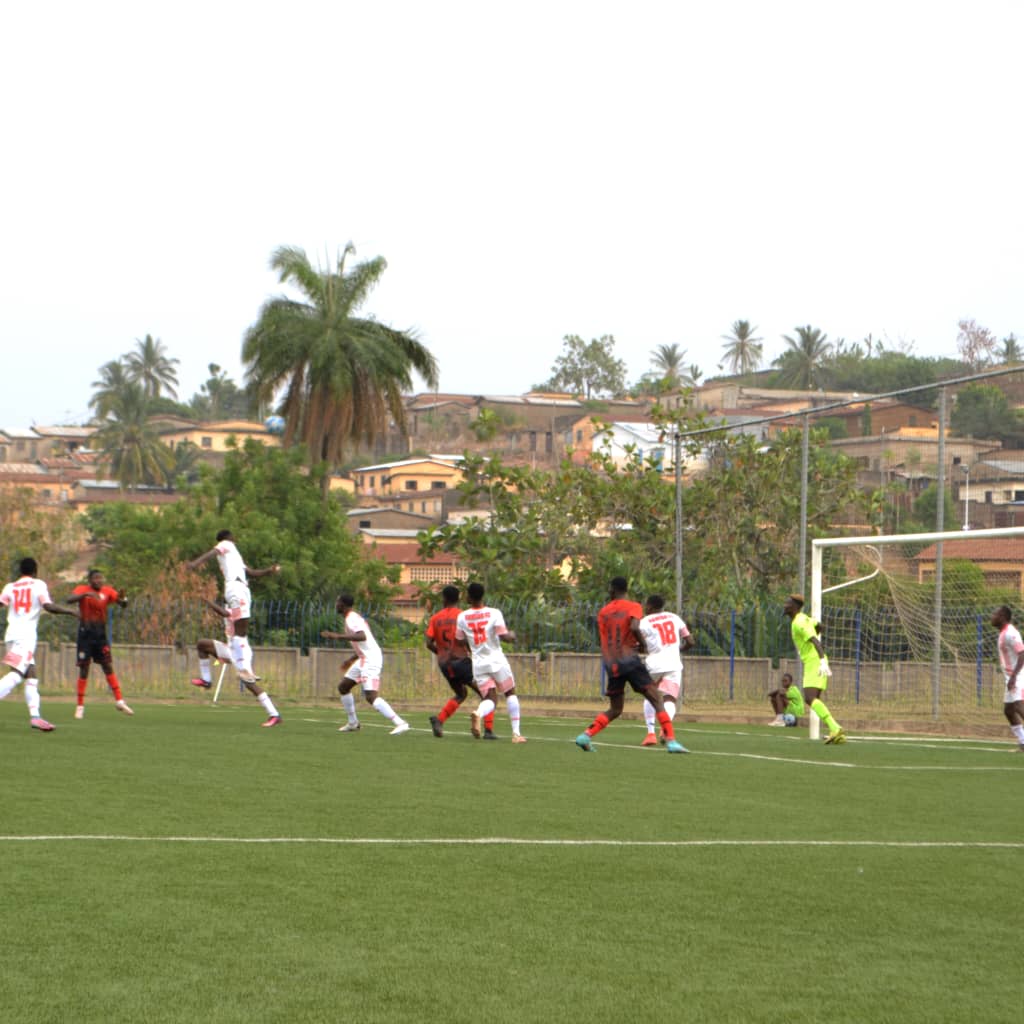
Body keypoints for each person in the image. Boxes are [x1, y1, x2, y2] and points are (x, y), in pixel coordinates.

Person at [576, 577, 687, 754]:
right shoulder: (633, 606)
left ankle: (586, 735)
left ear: (613, 590)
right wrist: (642, 645)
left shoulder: (603, 612)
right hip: (629, 659)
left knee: (616, 708)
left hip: (611, 663)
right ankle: (671, 741)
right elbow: (635, 627)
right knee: (657, 698)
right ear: (626, 590)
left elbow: (605, 637)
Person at [187, 529, 280, 684]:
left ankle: (242, 670)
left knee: (242, 631)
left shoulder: (235, 555)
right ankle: (243, 670)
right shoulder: (225, 544)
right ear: (228, 537)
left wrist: (269, 571)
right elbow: (212, 552)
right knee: (240, 631)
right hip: (235, 588)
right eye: (233, 535)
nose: (235, 537)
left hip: (243, 589)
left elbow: (251, 572)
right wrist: (195, 564)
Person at [0, 557, 78, 731]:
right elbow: (48, 606)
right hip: (25, 637)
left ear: (20, 571)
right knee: (16, 675)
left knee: (31, 676)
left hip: (12, 636)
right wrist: (71, 611)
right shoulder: (38, 584)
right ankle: (35, 717)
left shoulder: (10, 587)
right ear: (35, 571)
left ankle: (35, 717)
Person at [321, 594, 409, 735]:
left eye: (337, 602)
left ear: (343, 604)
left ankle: (401, 723)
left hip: (371, 659)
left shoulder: (351, 619)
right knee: (344, 687)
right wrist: (351, 659)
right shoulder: (352, 618)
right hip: (363, 658)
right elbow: (363, 643)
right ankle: (353, 723)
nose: (336, 605)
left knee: (370, 696)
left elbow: (362, 636)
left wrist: (338, 636)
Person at [191, 598, 281, 727]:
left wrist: (209, 602)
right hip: (230, 648)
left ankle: (274, 714)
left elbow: (225, 613)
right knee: (202, 644)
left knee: (249, 684)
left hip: (241, 652)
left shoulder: (240, 607)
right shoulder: (232, 600)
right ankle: (207, 680)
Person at [455, 582, 525, 743]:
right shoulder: (494, 613)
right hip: (497, 661)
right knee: (510, 693)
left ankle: (479, 713)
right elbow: (504, 636)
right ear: (482, 595)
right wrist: (512, 635)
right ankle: (516, 734)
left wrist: (470, 645)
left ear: (470, 597)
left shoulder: (462, 616)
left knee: (490, 699)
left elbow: (458, 641)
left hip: (479, 664)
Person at [425, 584, 493, 739]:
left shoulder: (435, 618)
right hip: (461, 662)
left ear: (444, 599)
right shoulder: (462, 616)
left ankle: (439, 720)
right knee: (487, 693)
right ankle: (489, 730)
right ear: (459, 598)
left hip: (444, 664)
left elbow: (428, 643)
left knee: (461, 693)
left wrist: (441, 652)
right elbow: (468, 638)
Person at [66, 568, 132, 719]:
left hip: (100, 635)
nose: (99, 580)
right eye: (96, 578)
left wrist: (124, 599)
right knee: (84, 668)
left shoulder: (107, 591)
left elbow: (122, 604)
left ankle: (120, 701)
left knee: (107, 666)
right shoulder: (82, 589)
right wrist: (84, 595)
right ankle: (80, 706)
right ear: (90, 580)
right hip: (85, 635)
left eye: (101, 578)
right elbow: (69, 599)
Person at [783, 594, 844, 744]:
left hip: (815, 661)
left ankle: (835, 727)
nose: (785, 605)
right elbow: (820, 626)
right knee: (814, 699)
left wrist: (822, 661)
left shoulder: (799, 623)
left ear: (795, 606)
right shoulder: (804, 618)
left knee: (809, 698)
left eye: (788, 603)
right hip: (816, 660)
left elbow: (815, 640)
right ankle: (836, 732)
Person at [637, 593, 694, 746]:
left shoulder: (644, 622)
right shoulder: (674, 617)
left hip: (654, 663)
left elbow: (638, 642)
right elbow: (690, 641)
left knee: (650, 695)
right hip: (674, 663)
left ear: (649, 606)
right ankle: (665, 728)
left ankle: (650, 734)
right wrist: (679, 649)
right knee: (670, 698)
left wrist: (640, 648)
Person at [991, 605, 1024, 752]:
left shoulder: (1011, 633)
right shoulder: (1003, 633)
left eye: (995, 614)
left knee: (1019, 706)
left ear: (1002, 617)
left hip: (1018, 675)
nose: (992, 617)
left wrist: (1014, 677)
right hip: (1010, 677)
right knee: (1009, 711)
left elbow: (1022, 653)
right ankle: (1023, 742)